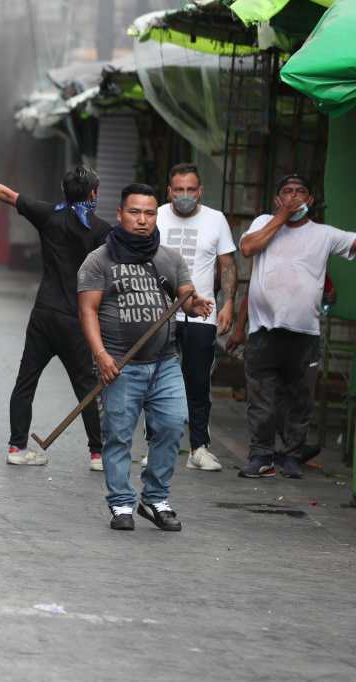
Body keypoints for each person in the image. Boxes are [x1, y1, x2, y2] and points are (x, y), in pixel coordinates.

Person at [0, 164, 110, 469]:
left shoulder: (48, 215)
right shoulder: (101, 231)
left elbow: (5, 194)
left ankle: (16, 447)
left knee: (25, 382)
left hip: (44, 315)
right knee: (87, 385)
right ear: (94, 193)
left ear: (64, 192)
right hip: (77, 319)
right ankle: (98, 454)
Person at [78, 183, 213, 531]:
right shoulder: (99, 260)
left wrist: (193, 304)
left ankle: (154, 498)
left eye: (149, 213)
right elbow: (88, 311)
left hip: (165, 362)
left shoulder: (167, 258)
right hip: (121, 365)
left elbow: (185, 294)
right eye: (134, 212)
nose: (142, 220)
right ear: (120, 214)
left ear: (157, 216)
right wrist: (101, 355)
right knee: (119, 435)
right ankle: (121, 503)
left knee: (171, 425)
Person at [235, 174, 356, 480]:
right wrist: (282, 216)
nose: (293, 196)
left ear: (310, 200)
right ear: (277, 199)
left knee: (300, 398)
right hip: (263, 331)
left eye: (300, 191)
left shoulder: (324, 234)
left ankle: (291, 455)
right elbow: (248, 248)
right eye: (286, 192)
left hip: (305, 334)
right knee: (262, 399)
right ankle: (261, 454)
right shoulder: (264, 222)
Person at [157, 163, 237, 472]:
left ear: (200, 191)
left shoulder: (216, 220)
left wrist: (228, 303)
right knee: (156, 382)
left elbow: (228, 266)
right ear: (170, 192)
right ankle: (157, 445)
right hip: (159, 314)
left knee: (198, 382)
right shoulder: (156, 215)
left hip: (202, 316)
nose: (185, 195)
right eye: (179, 190)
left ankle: (198, 448)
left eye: (191, 190)